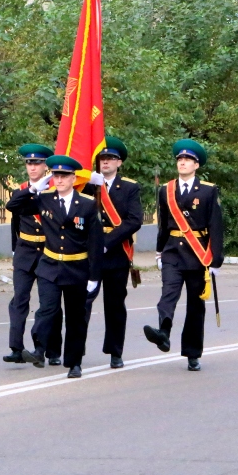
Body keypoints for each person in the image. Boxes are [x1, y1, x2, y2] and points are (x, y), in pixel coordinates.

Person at [7, 155, 102, 378]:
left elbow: (95, 243)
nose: (58, 180)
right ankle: (39, 349)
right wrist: (34, 187)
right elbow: (14, 206)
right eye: (56, 175)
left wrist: (94, 277)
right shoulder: (45, 199)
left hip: (77, 268)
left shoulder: (87, 205)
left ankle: (74, 361)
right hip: (49, 266)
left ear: (73, 178)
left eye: (63, 176)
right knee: (47, 309)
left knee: (75, 317)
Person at [143, 139, 224, 371]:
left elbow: (216, 227)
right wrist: (159, 253)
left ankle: (192, 353)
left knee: (195, 306)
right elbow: (164, 226)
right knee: (167, 294)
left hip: (198, 255)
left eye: (187, 160)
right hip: (172, 252)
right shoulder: (166, 190)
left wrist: (216, 259)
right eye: (180, 159)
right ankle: (163, 333)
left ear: (196, 165)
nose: (183, 162)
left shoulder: (208, 191)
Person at [84, 137, 142, 369]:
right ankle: (76, 349)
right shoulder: (88, 184)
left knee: (115, 305)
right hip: (89, 253)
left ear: (119, 163)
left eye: (109, 158)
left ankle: (115, 352)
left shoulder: (129, 187)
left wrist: (107, 242)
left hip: (116, 252)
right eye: (101, 158)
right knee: (83, 302)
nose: (105, 162)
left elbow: (134, 220)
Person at [4, 144, 63, 366]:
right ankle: (16, 348)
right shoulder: (21, 190)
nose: (32, 167)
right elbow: (15, 217)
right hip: (25, 252)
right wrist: (13, 249)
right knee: (19, 300)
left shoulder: (55, 190)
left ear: (45, 166)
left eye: (37, 163)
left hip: (49, 252)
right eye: (29, 163)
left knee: (51, 302)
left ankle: (52, 350)